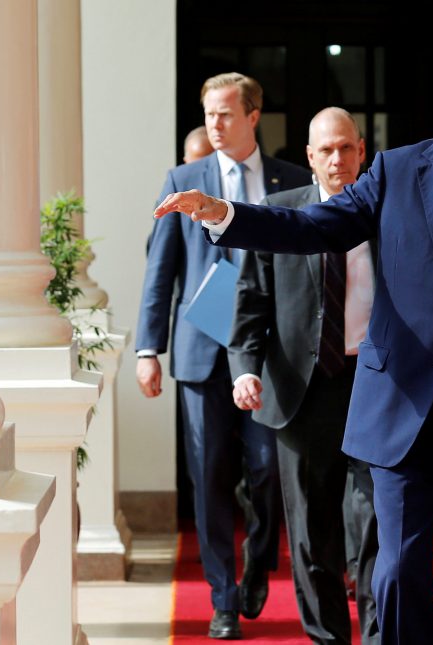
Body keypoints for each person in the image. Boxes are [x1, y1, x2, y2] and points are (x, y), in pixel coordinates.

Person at [153, 37, 433, 644]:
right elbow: (312, 226)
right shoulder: (397, 170)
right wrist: (226, 214)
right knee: (398, 573)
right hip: (401, 405)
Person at [136, 72, 311, 640]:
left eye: (226, 114)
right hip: (200, 352)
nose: (214, 124)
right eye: (209, 114)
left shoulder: (291, 179)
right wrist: (148, 348)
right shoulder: (183, 178)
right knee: (208, 477)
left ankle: (259, 559)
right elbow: (160, 272)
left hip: (267, 354)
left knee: (265, 470)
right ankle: (223, 597)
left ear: (253, 116)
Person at [228, 107, 379, 644]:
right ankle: (328, 638)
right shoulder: (278, 212)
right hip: (300, 390)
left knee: (374, 525)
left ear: (362, 150)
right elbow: (249, 305)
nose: (337, 159)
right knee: (313, 533)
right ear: (310, 157)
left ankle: (379, 633)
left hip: (373, 385)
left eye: (346, 148)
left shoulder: (387, 212)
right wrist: (245, 370)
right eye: (326, 150)